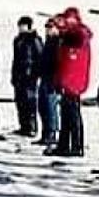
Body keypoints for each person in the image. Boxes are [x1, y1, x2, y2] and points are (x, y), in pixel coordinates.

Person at [47, 8, 92, 158]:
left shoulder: (78, 36)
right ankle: (64, 145)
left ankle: (76, 146)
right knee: (66, 115)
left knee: (73, 115)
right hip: (67, 81)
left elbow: (79, 38)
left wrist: (62, 28)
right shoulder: (67, 40)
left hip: (73, 83)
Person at [11, 16, 43, 137]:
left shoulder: (34, 39)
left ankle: (32, 127)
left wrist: (36, 73)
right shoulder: (17, 40)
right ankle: (23, 126)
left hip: (30, 76)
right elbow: (15, 59)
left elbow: (40, 56)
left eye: (22, 26)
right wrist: (13, 75)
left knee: (30, 101)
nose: (20, 28)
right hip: (19, 75)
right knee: (20, 101)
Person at [35, 17, 62, 148]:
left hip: (52, 79)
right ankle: (45, 132)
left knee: (50, 107)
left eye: (51, 27)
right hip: (45, 77)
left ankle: (51, 133)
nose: (48, 30)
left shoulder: (58, 43)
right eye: (47, 27)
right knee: (42, 106)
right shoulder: (48, 42)